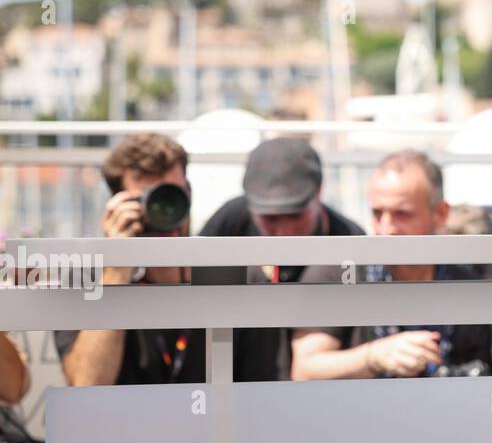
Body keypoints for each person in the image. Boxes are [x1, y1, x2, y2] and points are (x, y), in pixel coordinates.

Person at [291, 151, 492, 380]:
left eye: (402, 214)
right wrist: (374, 357)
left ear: (440, 214)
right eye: (377, 213)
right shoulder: (339, 271)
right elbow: (305, 370)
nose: (386, 228)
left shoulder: (465, 283)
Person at [202, 137, 363, 381]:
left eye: (295, 215)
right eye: (270, 218)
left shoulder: (349, 239)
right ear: (250, 205)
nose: (283, 232)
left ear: (319, 193)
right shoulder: (231, 222)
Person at [56, 133, 207, 386]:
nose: (163, 210)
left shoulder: (224, 273)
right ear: (118, 204)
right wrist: (117, 267)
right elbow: (87, 384)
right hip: (119, 423)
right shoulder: (83, 276)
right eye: (147, 200)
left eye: (173, 195)